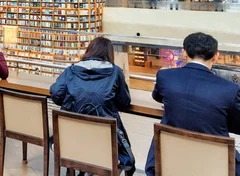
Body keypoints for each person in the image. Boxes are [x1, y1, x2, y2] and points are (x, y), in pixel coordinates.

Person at [145, 32, 240, 176]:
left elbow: (157, 97)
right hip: (215, 164)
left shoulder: (165, 76)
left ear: (184, 53)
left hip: (168, 159)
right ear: (216, 56)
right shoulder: (230, 89)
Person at [50, 37, 135, 174]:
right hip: (105, 141)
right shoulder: (115, 72)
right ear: (109, 53)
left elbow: (56, 94)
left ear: (89, 50)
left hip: (72, 137)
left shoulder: (71, 70)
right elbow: (124, 102)